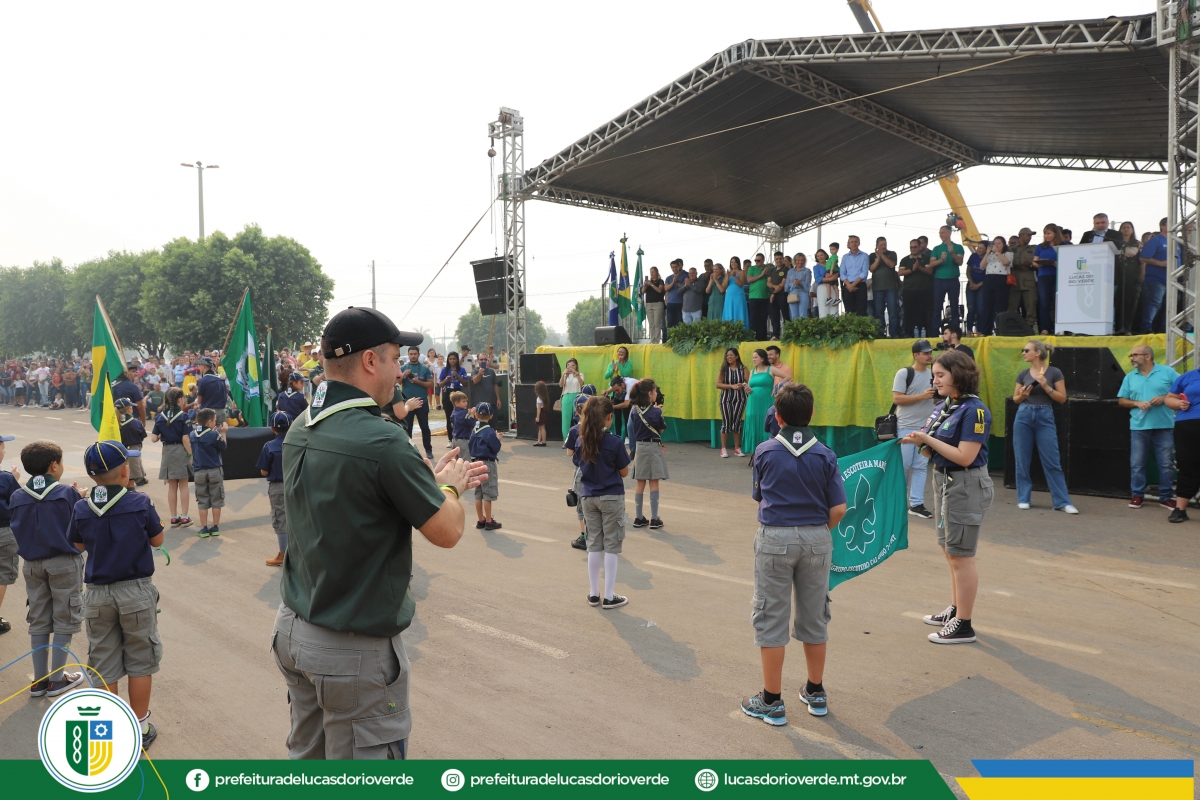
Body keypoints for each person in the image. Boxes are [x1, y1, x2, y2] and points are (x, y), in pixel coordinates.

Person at [271, 307, 484, 760]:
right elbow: (447, 530)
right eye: (394, 358)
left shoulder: (303, 424)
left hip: (294, 628)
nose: (400, 370)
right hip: (349, 651)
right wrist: (449, 487)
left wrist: (418, 481)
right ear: (370, 361)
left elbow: (353, 497)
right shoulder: (383, 440)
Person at [740, 383, 847, 724]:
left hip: (775, 537)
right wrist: (817, 533)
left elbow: (759, 497)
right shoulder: (826, 454)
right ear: (812, 413)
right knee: (814, 616)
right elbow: (839, 508)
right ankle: (815, 691)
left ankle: (772, 701)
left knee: (771, 615)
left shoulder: (765, 451)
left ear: (778, 417)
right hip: (817, 537)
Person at [70, 440, 165, 749]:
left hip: (97, 594)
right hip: (134, 592)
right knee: (140, 659)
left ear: (91, 476)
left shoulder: (81, 506)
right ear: (126, 471)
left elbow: (78, 545)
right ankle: (139, 727)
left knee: (103, 662)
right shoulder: (140, 501)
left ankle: (109, 727)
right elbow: (157, 539)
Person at [901, 349, 993, 645]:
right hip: (944, 480)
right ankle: (956, 609)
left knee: (962, 555)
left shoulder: (974, 411)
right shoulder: (945, 406)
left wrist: (926, 439)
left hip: (965, 483)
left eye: (941, 375)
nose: (935, 380)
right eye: (934, 375)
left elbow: (965, 457)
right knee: (949, 550)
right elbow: (933, 451)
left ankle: (964, 624)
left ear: (960, 375)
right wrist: (919, 443)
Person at [9, 440, 87, 696]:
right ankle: (57, 679)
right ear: (54, 465)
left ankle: (40, 680)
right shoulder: (66, 493)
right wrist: (80, 496)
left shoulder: (18, 496)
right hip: (63, 562)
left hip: (32, 565)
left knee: (39, 619)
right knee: (65, 618)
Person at [573, 396, 631, 610]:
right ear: (608, 417)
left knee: (594, 545)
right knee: (612, 546)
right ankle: (608, 596)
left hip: (588, 497)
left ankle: (593, 593)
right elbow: (624, 472)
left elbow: (578, 463)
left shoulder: (581, 440)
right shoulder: (614, 442)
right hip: (611, 496)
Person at [1012, 340, 1078, 514]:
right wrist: (1023, 395)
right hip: (1024, 414)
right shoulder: (1023, 373)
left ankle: (1062, 502)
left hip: (1045, 414)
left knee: (1052, 460)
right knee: (1022, 459)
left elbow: (1062, 398)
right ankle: (1023, 498)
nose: (1023, 352)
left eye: (1026, 350)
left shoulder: (1054, 372)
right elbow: (1015, 399)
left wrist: (1046, 387)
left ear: (1038, 353)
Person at [1117, 345, 1176, 511]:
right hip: (1139, 426)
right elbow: (1121, 400)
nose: (1132, 358)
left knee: (1166, 463)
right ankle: (1137, 495)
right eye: (1131, 355)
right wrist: (1136, 403)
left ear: (1148, 356)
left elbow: (1181, 392)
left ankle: (1166, 497)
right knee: (1137, 463)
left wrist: (1164, 398)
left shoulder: (1168, 372)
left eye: (1135, 355)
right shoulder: (1130, 377)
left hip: (1164, 425)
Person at [893, 340, 937, 519]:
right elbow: (897, 399)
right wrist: (922, 396)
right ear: (916, 355)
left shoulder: (934, 374)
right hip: (905, 426)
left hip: (925, 428)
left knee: (921, 466)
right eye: (925, 353)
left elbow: (935, 399)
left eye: (930, 352)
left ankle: (916, 504)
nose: (929, 356)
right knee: (903, 466)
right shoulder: (904, 373)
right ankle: (899, 502)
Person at [628, 379, 668, 529]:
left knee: (640, 482)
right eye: (655, 391)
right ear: (650, 394)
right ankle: (654, 518)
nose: (656, 393)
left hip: (640, 447)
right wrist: (659, 412)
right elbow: (661, 429)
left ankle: (638, 517)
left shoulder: (634, 410)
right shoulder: (656, 411)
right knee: (653, 481)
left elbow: (632, 427)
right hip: (652, 447)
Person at [150, 387, 192, 528]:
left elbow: (153, 438)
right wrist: (191, 455)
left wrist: (163, 434)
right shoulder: (183, 416)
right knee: (184, 485)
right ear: (179, 400)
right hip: (180, 450)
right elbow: (185, 439)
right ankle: (184, 517)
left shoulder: (160, 417)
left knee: (172, 486)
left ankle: (174, 518)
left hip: (167, 451)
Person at [258, 411, 293, 567]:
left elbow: (264, 471)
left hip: (278, 486)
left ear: (272, 428)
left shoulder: (269, 446)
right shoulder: (297, 443)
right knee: (297, 517)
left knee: (280, 518)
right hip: (296, 484)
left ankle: (283, 554)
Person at [1165, 367, 1200, 522]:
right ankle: (1180, 510)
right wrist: (1178, 403)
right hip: (1187, 426)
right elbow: (1169, 398)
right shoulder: (1187, 377)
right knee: (1187, 465)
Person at [190, 409, 229, 537]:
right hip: (214, 470)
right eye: (214, 421)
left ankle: (204, 528)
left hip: (199, 471)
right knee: (216, 500)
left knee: (202, 501)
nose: (215, 423)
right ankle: (215, 527)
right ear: (209, 422)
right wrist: (223, 433)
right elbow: (223, 447)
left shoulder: (192, 434)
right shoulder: (214, 435)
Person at [395, 346, 435, 459]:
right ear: (408, 355)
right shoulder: (403, 368)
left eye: (415, 354)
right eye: (411, 354)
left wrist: (418, 382)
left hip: (422, 401)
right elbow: (396, 383)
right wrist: (403, 375)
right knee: (407, 428)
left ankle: (428, 450)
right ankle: (408, 451)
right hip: (408, 402)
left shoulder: (424, 368)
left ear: (418, 354)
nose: (413, 356)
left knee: (424, 427)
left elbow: (431, 384)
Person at [468, 402, 502, 531]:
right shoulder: (489, 432)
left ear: (476, 415)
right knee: (488, 492)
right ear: (491, 416)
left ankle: (480, 519)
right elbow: (495, 447)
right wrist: (498, 439)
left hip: (476, 463)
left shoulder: (474, 431)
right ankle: (489, 520)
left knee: (478, 492)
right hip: (487, 463)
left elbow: (470, 446)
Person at [564, 393, 591, 552]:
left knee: (581, 504)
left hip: (581, 470)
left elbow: (569, 453)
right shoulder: (598, 428)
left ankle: (584, 536)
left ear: (576, 411)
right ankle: (597, 534)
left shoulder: (575, 430)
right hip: (596, 469)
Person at [1139, 217, 1170, 335]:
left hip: (1172, 280)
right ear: (1162, 226)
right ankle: (1146, 328)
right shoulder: (1156, 240)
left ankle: (1165, 329)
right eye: (1170, 223)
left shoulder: (1175, 241)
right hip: (1156, 279)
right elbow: (1143, 258)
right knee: (1154, 303)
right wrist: (1159, 263)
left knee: (1170, 305)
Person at [930, 225, 965, 328]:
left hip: (953, 280)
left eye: (943, 232)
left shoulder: (958, 247)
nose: (941, 235)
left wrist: (952, 253)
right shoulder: (936, 248)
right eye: (940, 233)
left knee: (954, 306)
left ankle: (955, 330)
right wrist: (941, 260)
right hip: (939, 280)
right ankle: (935, 331)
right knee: (937, 307)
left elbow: (960, 262)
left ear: (949, 233)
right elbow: (931, 264)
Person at [741, 350, 775, 455]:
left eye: (756, 357)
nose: (754, 359)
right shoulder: (752, 372)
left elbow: (787, 376)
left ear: (762, 358)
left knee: (765, 423)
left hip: (765, 402)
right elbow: (750, 387)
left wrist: (776, 388)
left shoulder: (770, 369)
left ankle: (766, 451)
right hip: (752, 402)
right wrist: (747, 389)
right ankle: (754, 453)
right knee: (753, 424)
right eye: (753, 357)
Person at [1006, 227, 1039, 331]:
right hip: (1014, 281)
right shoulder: (1011, 249)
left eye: (1031, 236)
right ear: (1021, 235)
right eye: (1028, 235)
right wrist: (1018, 266)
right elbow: (1005, 263)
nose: (1030, 237)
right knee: (1012, 306)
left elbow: (1038, 263)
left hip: (1029, 280)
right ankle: (1011, 326)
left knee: (1031, 305)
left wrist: (1030, 264)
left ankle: (1029, 326)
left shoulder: (1034, 249)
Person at [1114, 221, 1143, 336]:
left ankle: (1127, 328)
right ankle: (1117, 328)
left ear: (1132, 230)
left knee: (1130, 301)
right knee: (1118, 301)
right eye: (1123, 227)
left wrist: (1142, 273)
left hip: (1132, 273)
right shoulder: (1116, 243)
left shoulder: (1138, 244)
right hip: (1118, 273)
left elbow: (1142, 261)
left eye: (1128, 227)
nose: (1126, 229)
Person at [718, 348, 748, 458]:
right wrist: (731, 386)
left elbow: (749, 382)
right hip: (726, 399)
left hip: (740, 399)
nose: (728, 357)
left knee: (737, 422)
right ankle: (723, 448)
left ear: (737, 356)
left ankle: (737, 448)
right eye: (727, 355)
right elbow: (718, 384)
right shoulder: (724, 369)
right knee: (726, 422)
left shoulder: (743, 369)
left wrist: (743, 385)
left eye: (731, 355)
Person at [979, 236, 1011, 336]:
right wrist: (987, 253)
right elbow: (982, 266)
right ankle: (986, 330)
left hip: (1001, 279)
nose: (996, 245)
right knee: (987, 306)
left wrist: (997, 253)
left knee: (1001, 306)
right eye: (994, 243)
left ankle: (1001, 330)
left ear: (1003, 244)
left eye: (999, 243)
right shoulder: (990, 255)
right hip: (989, 279)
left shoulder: (1008, 254)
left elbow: (1006, 262)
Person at [869, 237, 900, 337]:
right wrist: (878, 258)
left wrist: (882, 255)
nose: (883, 246)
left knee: (893, 311)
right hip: (877, 288)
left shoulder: (892, 254)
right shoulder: (872, 256)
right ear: (877, 245)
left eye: (885, 244)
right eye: (881, 245)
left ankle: (894, 333)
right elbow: (871, 269)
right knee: (879, 313)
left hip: (891, 287)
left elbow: (891, 265)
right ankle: (881, 334)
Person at [115, 398, 148, 488]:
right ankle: (138, 479)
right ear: (129, 409)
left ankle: (140, 478)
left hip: (118, 448)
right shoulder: (136, 422)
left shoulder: (114, 423)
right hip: (134, 447)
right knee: (134, 464)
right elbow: (142, 435)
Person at [437, 352, 468, 436]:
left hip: (458, 392)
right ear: (448, 360)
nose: (452, 361)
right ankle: (450, 438)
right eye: (450, 359)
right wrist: (446, 380)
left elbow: (465, 383)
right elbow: (440, 384)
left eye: (454, 359)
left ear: (457, 359)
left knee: (460, 415)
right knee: (449, 416)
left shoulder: (462, 369)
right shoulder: (445, 370)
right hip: (447, 392)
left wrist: (457, 376)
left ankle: (460, 435)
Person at [839, 236, 870, 317]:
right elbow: (842, 273)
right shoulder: (845, 257)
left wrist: (853, 285)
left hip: (860, 285)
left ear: (859, 243)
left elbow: (864, 273)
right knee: (849, 311)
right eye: (852, 242)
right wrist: (849, 285)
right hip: (847, 285)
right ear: (849, 244)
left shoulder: (864, 256)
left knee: (861, 311)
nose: (854, 244)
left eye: (856, 241)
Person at [470, 356, 502, 433]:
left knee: (493, 424)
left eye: (485, 359)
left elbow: (495, 385)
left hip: (492, 401)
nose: (483, 361)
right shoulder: (474, 371)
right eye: (481, 359)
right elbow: (475, 381)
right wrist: (480, 374)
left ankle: (493, 437)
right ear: (477, 360)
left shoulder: (491, 371)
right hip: (480, 403)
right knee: (480, 424)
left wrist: (498, 399)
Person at [744, 253, 771, 339]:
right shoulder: (751, 268)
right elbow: (749, 279)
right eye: (755, 260)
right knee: (753, 318)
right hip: (753, 297)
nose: (756, 262)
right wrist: (761, 275)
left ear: (763, 260)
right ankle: (752, 337)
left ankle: (762, 338)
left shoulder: (768, 268)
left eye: (758, 260)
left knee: (763, 319)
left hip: (765, 297)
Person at [558, 358, 585, 440]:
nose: (570, 367)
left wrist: (576, 374)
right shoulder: (565, 375)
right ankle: (566, 440)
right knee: (565, 420)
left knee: (578, 418)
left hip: (577, 396)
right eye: (568, 365)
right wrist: (563, 375)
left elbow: (582, 383)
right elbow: (560, 385)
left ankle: (579, 439)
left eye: (573, 365)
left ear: (576, 366)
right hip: (566, 396)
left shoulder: (580, 374)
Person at [766, 252, 791, 338]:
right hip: (773, 295)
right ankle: (776, 335)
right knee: (774, 316)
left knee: (785, 315)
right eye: (777, 259)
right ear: (774, 259)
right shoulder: (772, 270)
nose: (779, 260)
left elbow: (782, 284)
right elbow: (768, 283)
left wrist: (774, 293)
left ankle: (788, 334)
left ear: (783, 259)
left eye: (780, 259)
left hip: (782, 294)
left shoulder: (786, 269)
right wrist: (774, 287)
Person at [964, 240, 986, 334]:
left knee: (980, 309)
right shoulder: (973, 256)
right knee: (971, 308)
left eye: (981, 248)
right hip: (972, 283)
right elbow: (968, 270)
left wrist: (978, 285)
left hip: (982, 285)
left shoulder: (989, 258)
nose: (978, 250)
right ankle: (969, 330)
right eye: (978, 248)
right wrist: (971, 282)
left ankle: (980, 331)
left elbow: (988, 276)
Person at [641, 267, 667, 343]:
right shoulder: (648, 282)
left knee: (657, 324)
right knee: (651, 324)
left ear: (656, 272)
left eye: (653, 272)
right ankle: (652, 340)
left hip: (658, 304)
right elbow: (642, 292)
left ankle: (657, 341)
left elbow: (660, 290)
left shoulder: (660, 281)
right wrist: (645, 285)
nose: (651, 274)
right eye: (650, 272)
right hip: (649, 304)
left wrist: (651, 284)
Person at [722, 257, 750, 327]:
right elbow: (724, 286)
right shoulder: (728, 273)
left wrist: (734, 276)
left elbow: (740, 284)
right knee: (729, 311)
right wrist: (727, 276)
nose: (733, 264)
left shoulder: (741, 272)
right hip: (729, 296)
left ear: (738, 263)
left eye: (735, 262)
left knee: (739, 310)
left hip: (738, 295)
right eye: (732, 262)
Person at [786, 253, 811, 320]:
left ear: (804, 261)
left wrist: (800, 283)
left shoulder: (807, 271)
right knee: (794, 315)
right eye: (798, 260)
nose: (800, 262)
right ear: (795, 261)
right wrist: (793, 283)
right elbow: (787, 285)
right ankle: (795, 327)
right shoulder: (790, 271)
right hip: (793, 293)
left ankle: (802, 327)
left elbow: (808, 284)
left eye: (802, 260)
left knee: (803, 314)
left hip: (803, 293)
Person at [664, 259, 687, 329]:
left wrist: (677, 282)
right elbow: (666, 288)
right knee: (670, 322)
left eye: (676, 267)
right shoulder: (668, 278)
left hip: (680, 302)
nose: (674, 269)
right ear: (671, 268)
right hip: (670, 302)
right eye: (673, 267)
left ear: (678, 267)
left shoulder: (684, 276)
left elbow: (684, 288)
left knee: (679, 322)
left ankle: (679, 336)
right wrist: (673, 282)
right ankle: (670, 336)